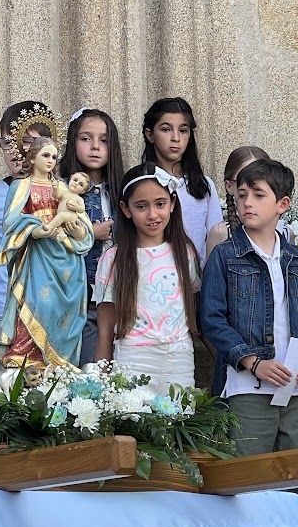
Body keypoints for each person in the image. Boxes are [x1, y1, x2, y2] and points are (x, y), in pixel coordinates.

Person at [201, 158, 298, 454]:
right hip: (248, 387)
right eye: (242, 195)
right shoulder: (224, 255)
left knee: (290, 472)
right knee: (251, 473)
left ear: (283, 204)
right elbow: (212, 320)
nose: (247, 203)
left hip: (295, 386)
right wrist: (254, 363)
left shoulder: (297, 257)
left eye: (258, 195)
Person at [92, 164, 197, 390]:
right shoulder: (113, 259)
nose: (152, 215)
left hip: (179, 359)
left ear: (172, 203)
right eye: (141, 206)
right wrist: (100, 385)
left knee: (179, 412)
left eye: (160, 204)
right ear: (126, 209)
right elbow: (105, 330)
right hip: (133, 360)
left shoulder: (185, 253)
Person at [0, 136, 93, 370]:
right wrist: (34, 230)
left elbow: (84, 225)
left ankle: (60, 363)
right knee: (38, 302)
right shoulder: (22, 186)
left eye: (54, 157)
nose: (50, 161)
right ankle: (25, 357)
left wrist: (78, 232)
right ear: (32, 157)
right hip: (36, 257)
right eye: (45, 155)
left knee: (61, 310)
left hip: (66, 258)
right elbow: (10, 222)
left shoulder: (62, 187)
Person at [0, 101, 52, 366]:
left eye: (27, 142)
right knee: (8, 386)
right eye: (8, 143)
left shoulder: (61, 194)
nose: (16, 151)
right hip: (3, 310)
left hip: (50, 310)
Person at [60, 108, 125, 364]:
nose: (95, 147)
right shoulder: (63, 191)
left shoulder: (123, 191)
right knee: (90, 367)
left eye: (104, 140)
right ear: (73, 142)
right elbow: (52, 238)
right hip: (80, 297)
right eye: (86, 139)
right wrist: (89, 233)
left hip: (120, 293)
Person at [140, 97, 221, 266]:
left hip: (198, 277)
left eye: (183, 130)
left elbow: (216, 238)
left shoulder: (203, 185)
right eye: (166, 129)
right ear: (150, 134)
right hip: (153, 274)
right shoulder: (141, 183)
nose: (176, 137)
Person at [205, 145, 276, 259]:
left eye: (259, 179)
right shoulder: (221, 233)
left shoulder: (284, 232)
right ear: (229, 186)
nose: (252, 187)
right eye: (243, 180)